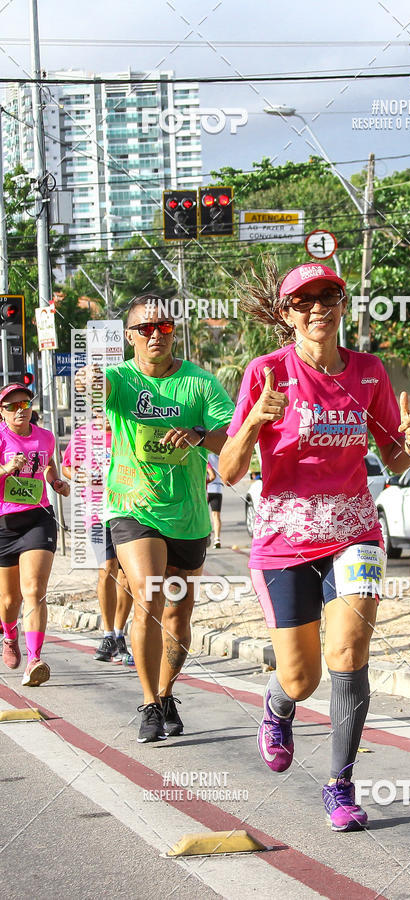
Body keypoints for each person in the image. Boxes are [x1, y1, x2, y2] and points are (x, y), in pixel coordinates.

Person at [219, 261, 410, 832]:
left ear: (342, 305)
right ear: (286, 312)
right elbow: (232, 471)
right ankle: (277, 704)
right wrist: (251, 425)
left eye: (328, 296)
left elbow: (393, 460)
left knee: (350, 650)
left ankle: (339, 783)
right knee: (301, 677)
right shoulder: (267, 372)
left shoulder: (368, 372)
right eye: (303, 300)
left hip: (354, 530)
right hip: (285, 538)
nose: (317, 307)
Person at [77, 294, 234, 742]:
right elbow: (98, 387)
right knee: (148, 595)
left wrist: (199, 434)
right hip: (132, 506)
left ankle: (166, 693)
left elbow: (230, 441)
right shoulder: (122, 379)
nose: (154, 335)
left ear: (173, 332)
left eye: (163, 327)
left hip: (188, 515)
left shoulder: (200, 383)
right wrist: (88, 380)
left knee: (178, 613)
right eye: (144, 328)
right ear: (130, 337)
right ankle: (148, 702)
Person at [0, 383, 70, 686]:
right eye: (12, 406)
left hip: (38, 519)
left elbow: (49, 465)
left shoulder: (45, 437)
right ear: (2, 412)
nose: (19, 410)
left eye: (24, 404)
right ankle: (10, 634)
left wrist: (56, 482)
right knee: (8, 599)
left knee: (34, 590)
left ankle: (35, 659)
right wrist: (5, 469)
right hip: (4, 523)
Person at [62, 414, 134, 665]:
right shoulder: (84, 434)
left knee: (127, 577)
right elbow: (66, 466)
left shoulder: (128, 429)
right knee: (107, 570)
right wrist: (81, 477)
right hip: (97, 513)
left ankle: (119, 633)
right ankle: (106, 634)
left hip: (128, 512)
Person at [206, 451, 224, 548]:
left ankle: (206, 534)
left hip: (206, 488)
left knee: (204, 513)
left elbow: (212, 475)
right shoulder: (219, 455)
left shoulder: (204, 454)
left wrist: (206, 481)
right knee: (216, 515)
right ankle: (217, 538)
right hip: (218, 488)